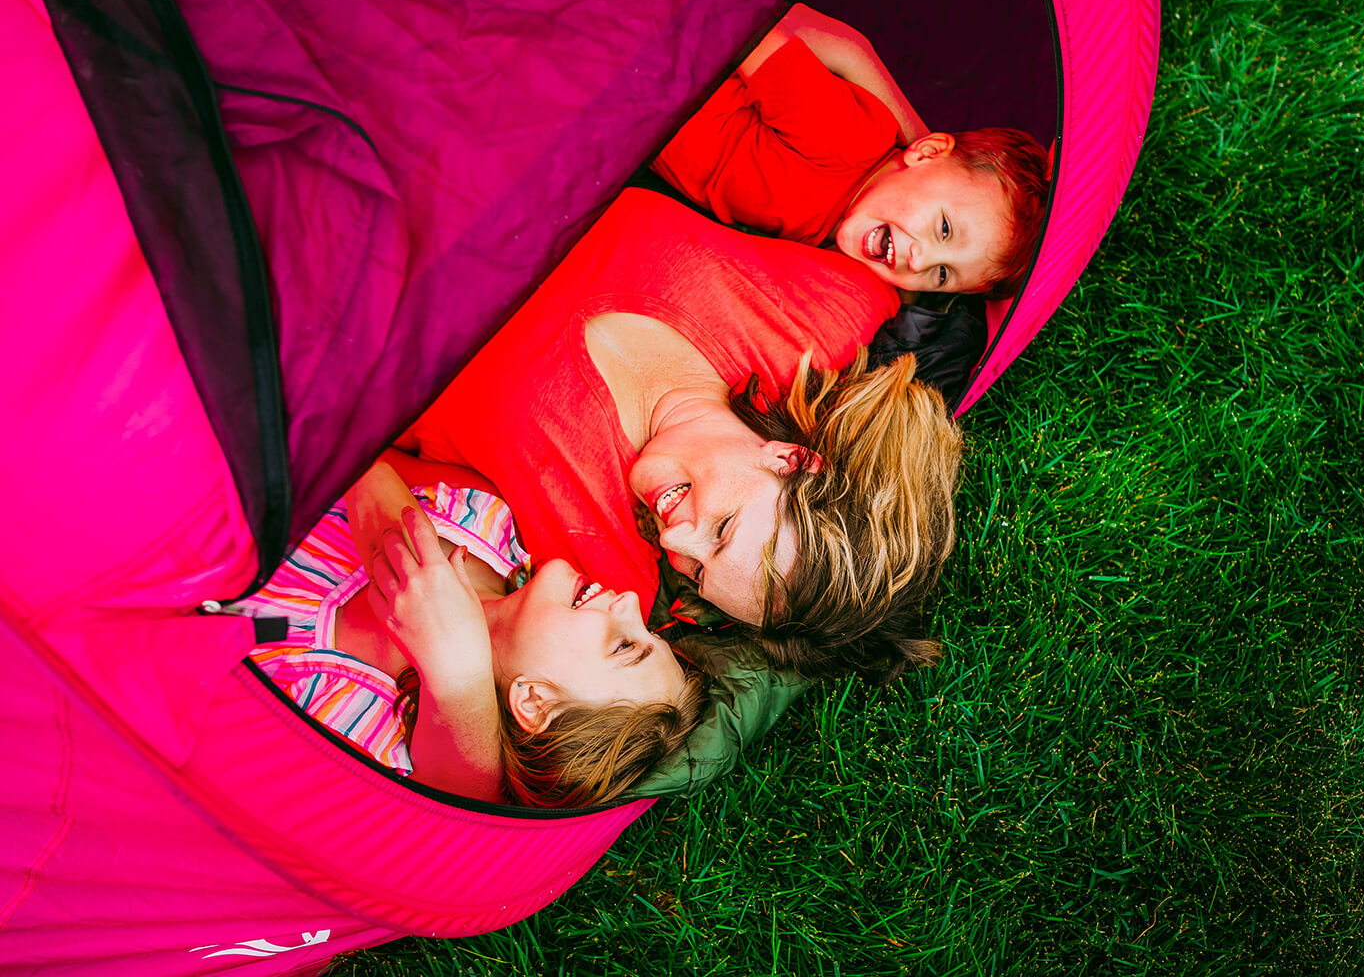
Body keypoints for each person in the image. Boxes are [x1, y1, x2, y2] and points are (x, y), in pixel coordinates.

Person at [397, 187, 963, 683]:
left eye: (695, 571)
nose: (674, 543)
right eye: (720, 530)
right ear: (792, 459)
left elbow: (391, 478)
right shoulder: (820, 321)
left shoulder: (598, 574)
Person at [232, 460, 709, 807]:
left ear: (535, 702)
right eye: (645, 628)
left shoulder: (364, 739)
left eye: (624, 645)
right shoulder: (481, 516)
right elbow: (361, 445)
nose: (628, 602)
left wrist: (458, 676)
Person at [651, 4, 1049, 299]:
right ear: (925, 153)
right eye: (944, 228)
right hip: (643, 60)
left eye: (942, 275)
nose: (920, 260)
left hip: (631, 129)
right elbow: (734, 24)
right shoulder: (845, 139)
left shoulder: (843, 232)